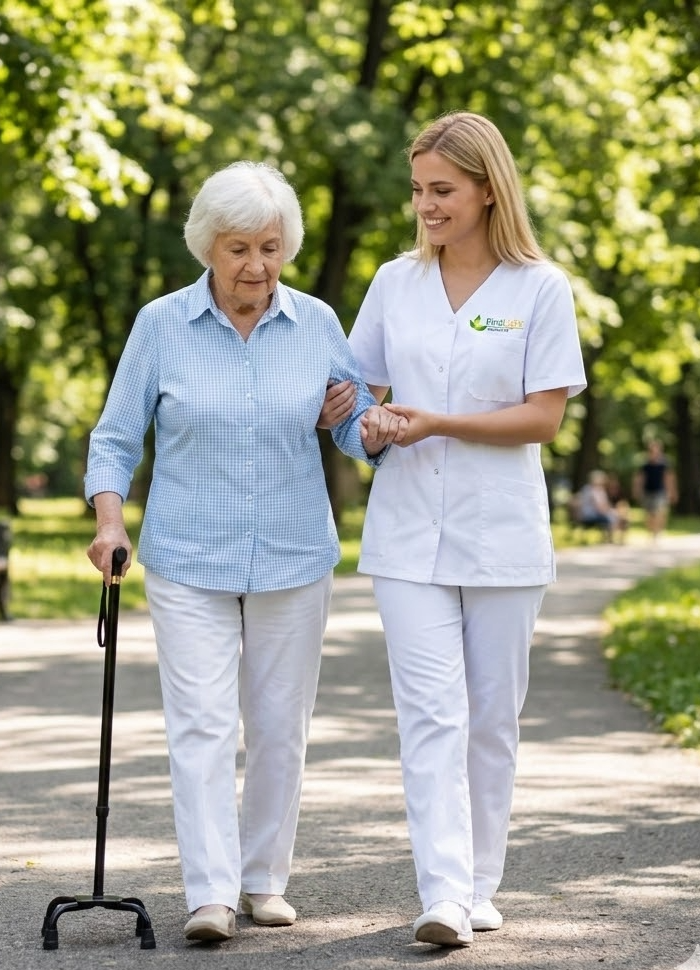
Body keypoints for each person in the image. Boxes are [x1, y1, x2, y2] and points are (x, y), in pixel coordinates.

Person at [83, 161, 403, 944]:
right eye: (237, 249)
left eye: (269, 247)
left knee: (278, 724)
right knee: (199, 725)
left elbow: (358, 434)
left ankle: (264, 879)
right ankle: (210, 895)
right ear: (206, 248)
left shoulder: (319, 323)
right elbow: (115, 436)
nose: (255, 266)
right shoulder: (161, 325)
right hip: (190, 556)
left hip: (292, 555)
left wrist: (362, 424)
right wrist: (110, 520)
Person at [323, 111, 587, 946]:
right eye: (418, 190)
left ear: (485, 189)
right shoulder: (394, 283)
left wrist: (436, 421)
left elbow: (544, 419)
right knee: (429, 714)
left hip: (501, 534)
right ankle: (440, 893)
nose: (427, 206)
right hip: (406, 535)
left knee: (490, 718)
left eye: (442, 190)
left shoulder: (538, 289)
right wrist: (360, 424)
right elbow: (357, 396)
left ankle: (480, 884)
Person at [633, 439, 677, 540]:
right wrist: (637, 490)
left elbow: (669, 479)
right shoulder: (645, 464)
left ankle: (658, 533)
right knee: (649, 514)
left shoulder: (664, 464)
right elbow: (640, 478)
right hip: (648, 491)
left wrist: (672, 492)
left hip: (660, 491)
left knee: (659, 512)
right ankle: (651, 532)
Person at [572, 469, 627, 542]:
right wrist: (612, 512)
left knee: (616, 516)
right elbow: (599, 507)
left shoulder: (596, 490)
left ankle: (612, 538)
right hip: (590, 515)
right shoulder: (592, 490)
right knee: (613, 517)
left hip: (595, 513)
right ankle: (611, 539)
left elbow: (604, 505)